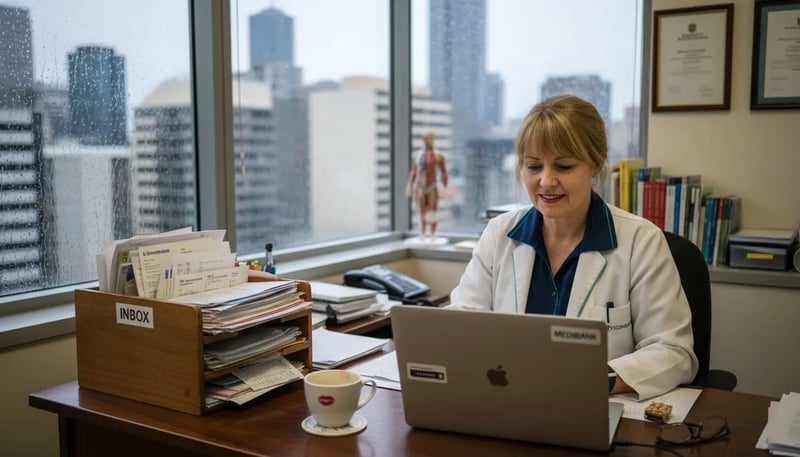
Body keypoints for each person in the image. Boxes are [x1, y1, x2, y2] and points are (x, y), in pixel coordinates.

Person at [449, 94, 697, 400]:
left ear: (595, 164)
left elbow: (673, 352)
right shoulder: (500, 234)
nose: (546, 181)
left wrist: (593, 380)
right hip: (506, 402)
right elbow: (460, 325)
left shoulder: (641, 241)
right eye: (533, 166)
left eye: (564, 166)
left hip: (593, 407)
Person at [406, 131, 448, 240]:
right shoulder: (417, 155)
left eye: (428, 138)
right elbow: (413, 172)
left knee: (432, 211)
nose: (426, 141)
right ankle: (422, 234)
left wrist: (444, 186)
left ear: (433, 139)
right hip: (420, 186)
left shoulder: (439, 156)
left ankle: (433, 233)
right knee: (421, 211)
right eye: (424, 138)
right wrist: (409, 185)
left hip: (432, 186)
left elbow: (444, 172)